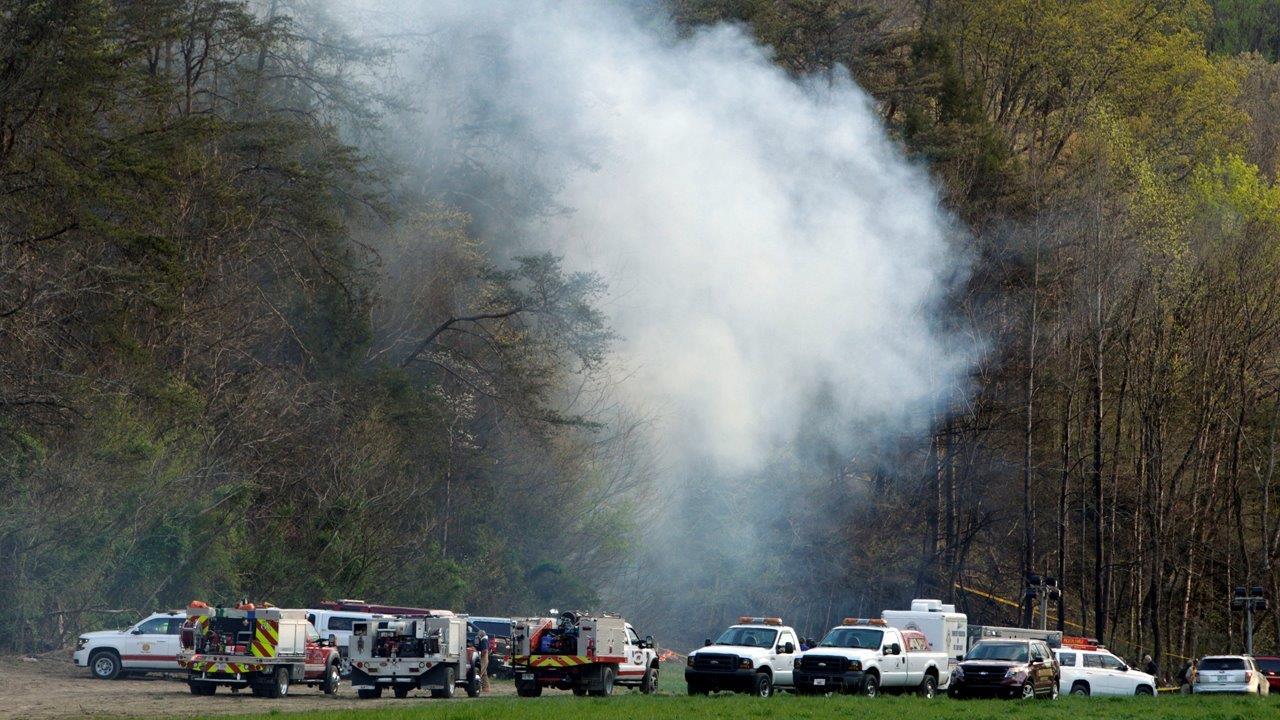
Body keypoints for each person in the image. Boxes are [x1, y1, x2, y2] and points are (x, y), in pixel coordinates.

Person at [473, 626, 491, 692]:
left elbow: (485, 650)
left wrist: (480, 655)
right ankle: (486, 688)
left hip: (483, 658)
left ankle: (476, 687)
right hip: (485, 658)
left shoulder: (484, 640)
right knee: (484, 674)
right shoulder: (485, 639)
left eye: (479, 635)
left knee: (480, 673)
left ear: (481, 635)